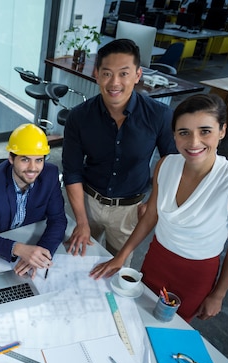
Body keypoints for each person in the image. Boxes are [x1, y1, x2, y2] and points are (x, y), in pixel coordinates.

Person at [90, 94, 228, 322]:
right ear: (174, 135)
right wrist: (122, 255)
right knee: (138, 316)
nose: (194, 142)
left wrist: (218, 294)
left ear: (222, 131)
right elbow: (151, 215)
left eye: (205, 131)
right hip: (156, 259)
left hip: (195, 273)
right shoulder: (165, 164)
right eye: (184, 133)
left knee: (169, 329)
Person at [62, 38, 177, 263]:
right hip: (88, 202)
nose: (114, 82)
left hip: (130, 209)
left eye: (124, 73)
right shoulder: (79, 116)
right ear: (96, 74)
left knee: (117, 271)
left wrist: (154, 202)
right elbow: (72, 171)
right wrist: (82, 222)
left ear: (138, 75)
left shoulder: (159, 115)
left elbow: (172, 165)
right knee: (76, 263)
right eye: (107, 73)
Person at [0, 124, 67, 278]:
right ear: (11, 158)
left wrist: (39, 254)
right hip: (2, 245)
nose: (33, 168)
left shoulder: (50, 175)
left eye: (39, 160)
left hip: (31, 235)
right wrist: (20, 249)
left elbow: (58, 220)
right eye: (25, 159)